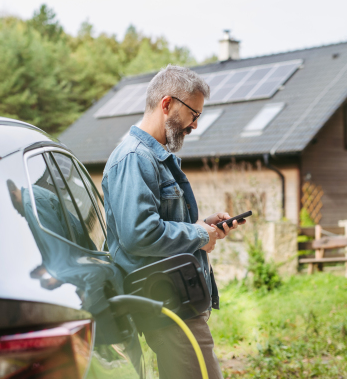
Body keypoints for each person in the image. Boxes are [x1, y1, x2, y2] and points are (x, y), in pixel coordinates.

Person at [103, 65, 243, 379]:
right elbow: (139, 234)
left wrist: (204, 226)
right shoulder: (134, 157)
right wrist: (197, 233)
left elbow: (158, 223)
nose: (195, 125)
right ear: (166, 104)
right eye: (193, 113)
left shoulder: (154, 157)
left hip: (176, 299)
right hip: (164, 303)